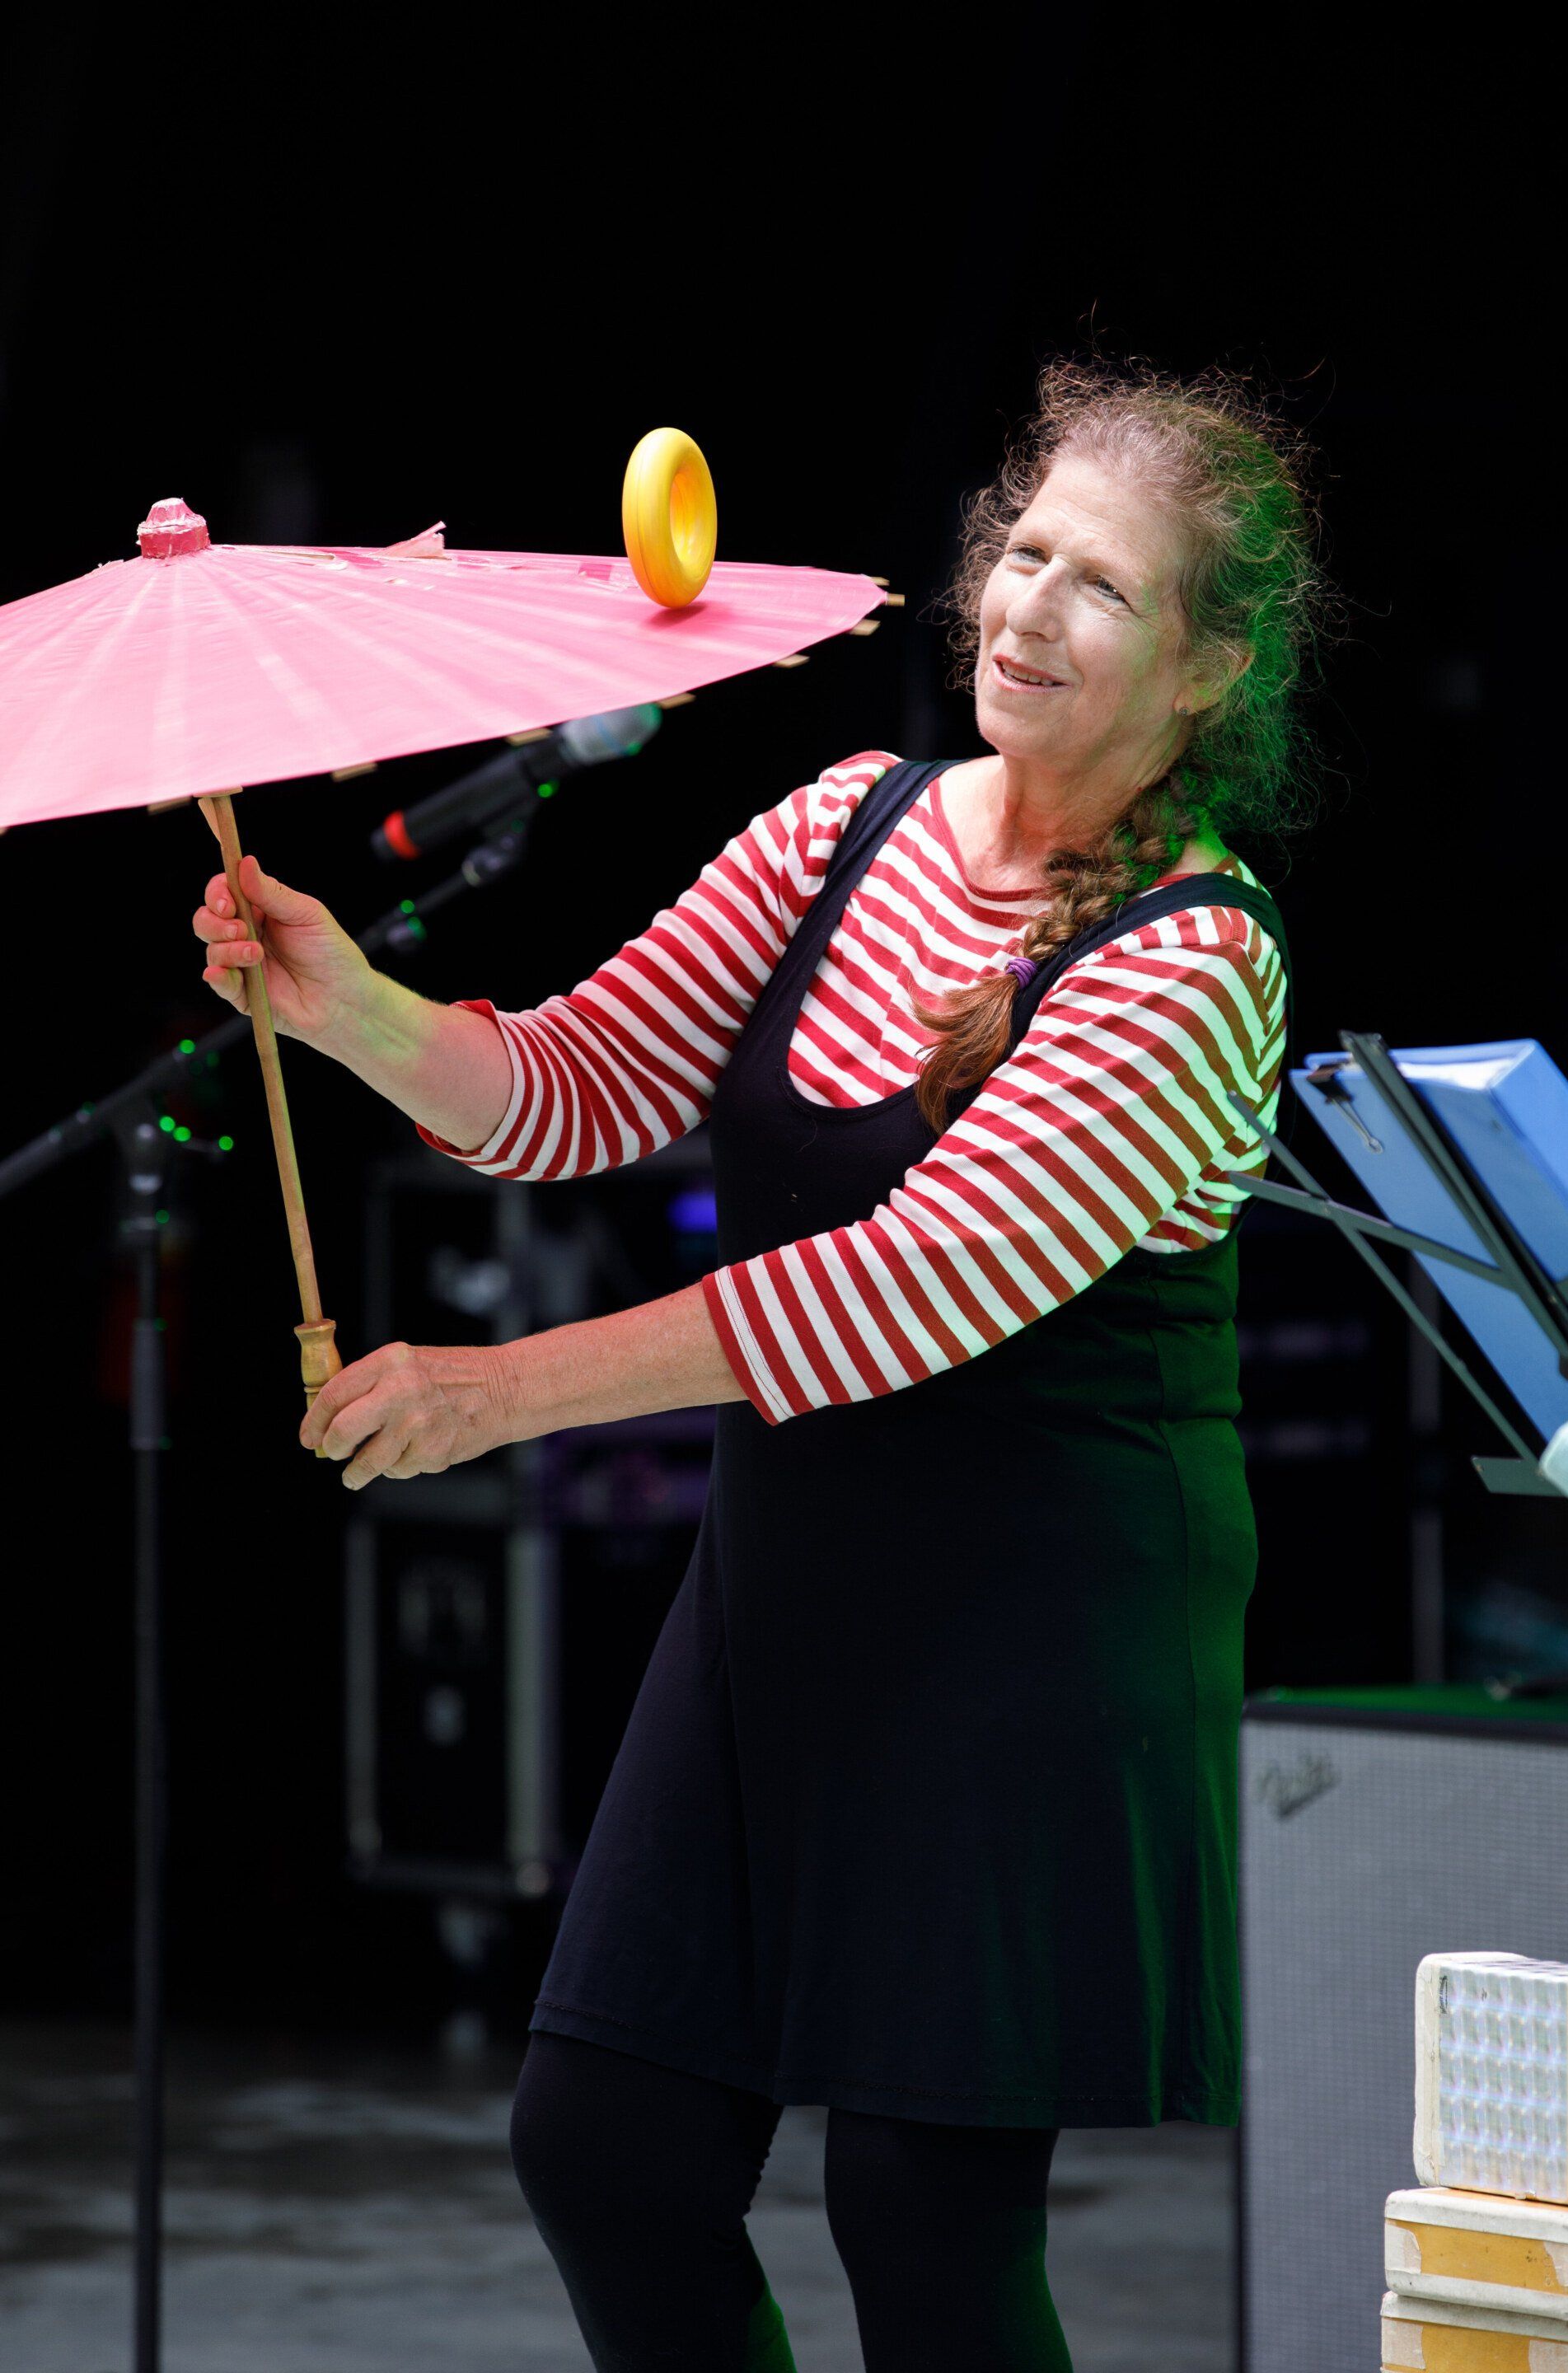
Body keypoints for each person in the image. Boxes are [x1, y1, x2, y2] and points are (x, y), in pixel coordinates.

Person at [193, 359, 1325, 2372]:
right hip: (795, 1596)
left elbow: (895, 1291)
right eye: (1025, 552)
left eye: (1105, 589)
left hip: (1035, 1633)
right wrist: (351, 1004)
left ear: (1213, 670)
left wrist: (491, 1391)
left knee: (925, 2222)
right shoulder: (840, 827)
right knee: (605, 2146)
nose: (1029, 607)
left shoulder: (1197, 963)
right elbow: (574, 1082)